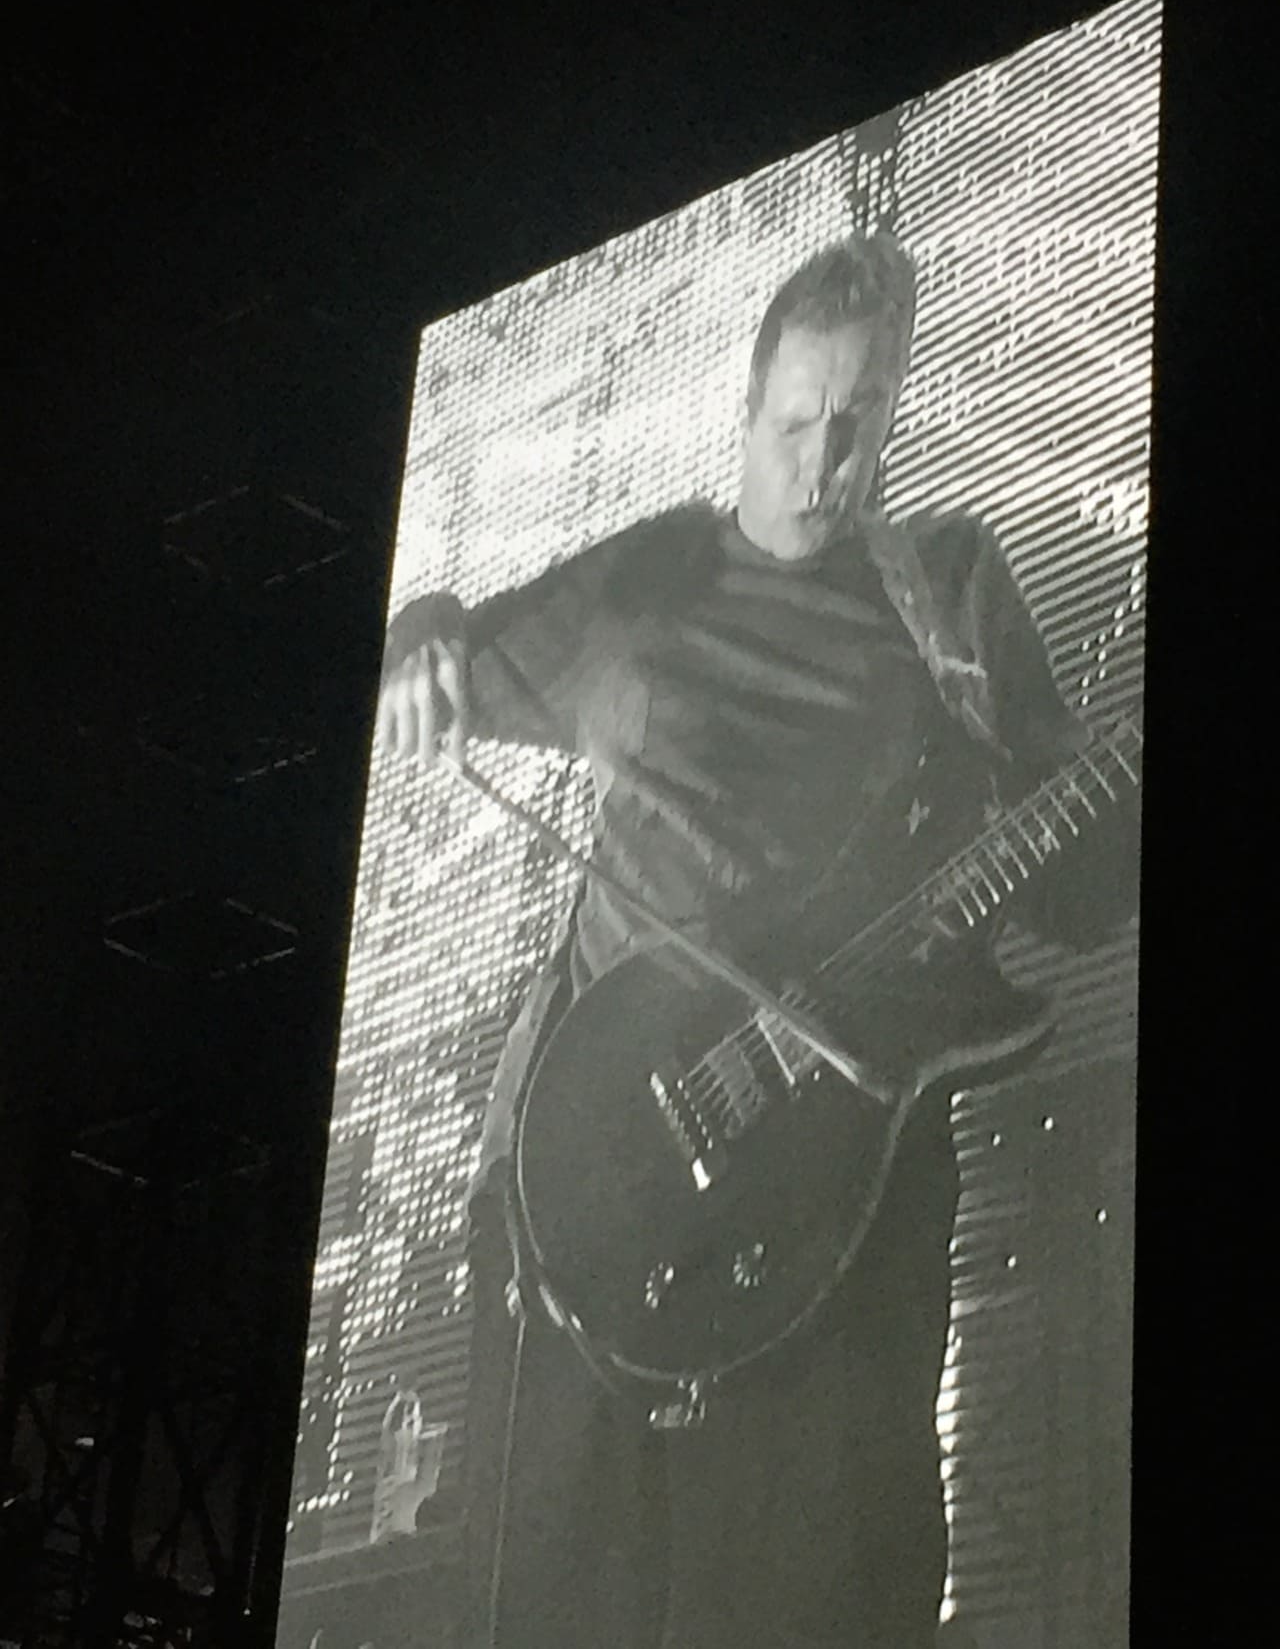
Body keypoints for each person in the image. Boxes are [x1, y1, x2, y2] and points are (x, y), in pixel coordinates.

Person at [375, 232, 1140, 1648]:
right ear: (746, 415)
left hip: (841, 1192)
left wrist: (1095, 817)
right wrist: (420, 616)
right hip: (612, 1161)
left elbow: (1082, 895)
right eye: (795, 424)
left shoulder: (949, 592)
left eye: (856, 427)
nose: (822, 461)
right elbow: (444, 656)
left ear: (895, 418)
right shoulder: (654, 577)